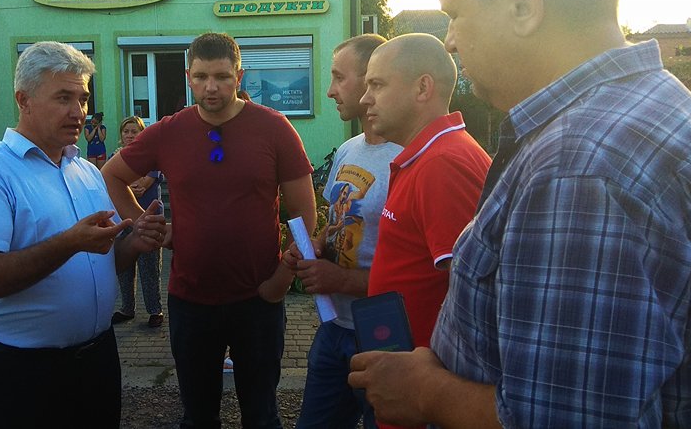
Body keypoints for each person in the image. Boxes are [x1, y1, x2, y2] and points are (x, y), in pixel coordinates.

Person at [349, 0, 691, 427]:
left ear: (523, 5)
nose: (452, 41)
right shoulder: (653, 106)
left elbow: (567, 419)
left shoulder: (581, 167)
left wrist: (426, 392)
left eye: (456, 14)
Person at [103, 32, 317, 429]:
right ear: (189, 77)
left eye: (221, 76)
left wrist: (282, 280)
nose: (211, 87)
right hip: (191, 300)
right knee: (198, 416)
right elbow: (112, 175)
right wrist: (145, 225)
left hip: (257, 299)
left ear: (240, 75)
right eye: (201, 77)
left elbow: (304, 215)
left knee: (262, 415)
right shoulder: (169, 131)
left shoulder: (273, 128)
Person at [0, 42, 166, 428]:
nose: (78, 112)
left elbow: (101, 262)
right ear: (23, 100)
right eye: (63, 98)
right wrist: (68, 244)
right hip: (22, 373)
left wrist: (135, 243)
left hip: (97, 360)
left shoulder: (86, 171)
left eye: (83, 99)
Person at [289, 34, 402, 429]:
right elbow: (338, 221)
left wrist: (340, 279)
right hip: (333, 325)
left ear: (371, 80)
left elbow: (420, 275)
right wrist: (314, 248)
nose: (330, 91)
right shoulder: (348, 149)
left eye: (339, 77)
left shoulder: (408, 159)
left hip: (384, 335)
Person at [361, 33, 490, 353]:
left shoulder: (442, 163)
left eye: (377, 85)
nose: (365, 99)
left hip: (424, 366)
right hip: (408, 361)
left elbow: (472, 292)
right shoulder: (431, 155)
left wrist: (432, 374)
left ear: (422, 88)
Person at [111, 115, 166, 328]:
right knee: (125, 269)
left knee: (149, 268)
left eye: (134, 131)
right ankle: (127, 308)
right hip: (123, 220)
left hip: (149, 219)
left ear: (142, 133)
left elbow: (143, 185)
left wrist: (124, 184)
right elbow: (110, 182)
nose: (130, 135)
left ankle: (155, 310)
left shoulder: (152, 157)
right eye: (126, 131)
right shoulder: (115, 157)